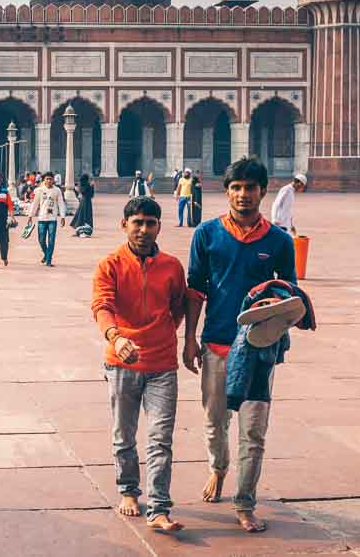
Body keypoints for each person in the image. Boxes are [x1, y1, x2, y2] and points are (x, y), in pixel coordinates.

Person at [184, 156, 298, 535]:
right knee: (215, 422)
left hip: (257, 350)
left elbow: (290, 295)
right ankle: (218, 468)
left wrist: (275, 324)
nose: (243, 195)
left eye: (250, 188)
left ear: (263, 191)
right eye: (236, 187)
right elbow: (196, 290)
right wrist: (188, 339)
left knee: (253, 431)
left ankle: (245, 501)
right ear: (226, 190)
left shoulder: (279, 241)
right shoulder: (207, 234)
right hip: (216, 342)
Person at [93, 195, 189, 535]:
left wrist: (164, 334)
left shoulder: (172, 267)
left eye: (150, 223)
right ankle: (129, 490)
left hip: (162, 362)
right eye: (137, 223)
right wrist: (117, 338)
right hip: (121, 361)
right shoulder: (110, 265)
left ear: (159, 226)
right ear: (124, 225)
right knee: (124, 435)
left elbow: (179, 307)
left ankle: (160, 507)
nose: (144, 229)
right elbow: (101, 306)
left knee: (161, 438)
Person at [30, 171, 66, 266]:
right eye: (47, 179)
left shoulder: (57, 190)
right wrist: (30, 215)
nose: (49, 181)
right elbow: (35, 203)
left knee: (51, 240)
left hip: (52, 219)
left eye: (50, 179)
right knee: (41, 240)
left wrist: (62, 216)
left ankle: (49, 260)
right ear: (44, 180)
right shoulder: (39, 190)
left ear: (53, 180)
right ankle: (46, 254)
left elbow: (61, 203)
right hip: (42, 218)